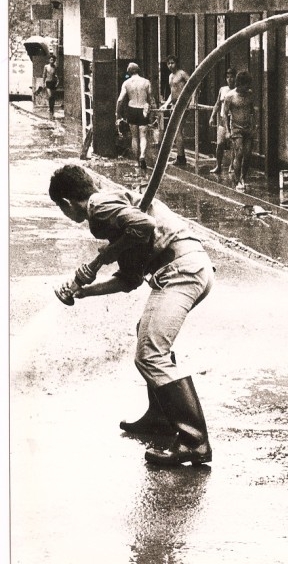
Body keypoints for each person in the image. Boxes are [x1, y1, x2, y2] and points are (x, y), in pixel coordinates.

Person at [48, 163, 215, 466]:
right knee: (147, 333)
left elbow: (145, 227)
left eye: (62, 209)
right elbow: (130, 279)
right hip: (189, 268)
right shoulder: (113, 211)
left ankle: (195, 441)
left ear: (67, 203)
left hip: (181, 270)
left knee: (150, 353)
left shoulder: (100, 208)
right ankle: (161, 417)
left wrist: (99, 260)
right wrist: (83, 291)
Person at [116, 62, 156, 171]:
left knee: (134, 137)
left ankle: (137, 161)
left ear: (129, 72)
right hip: (143, 109)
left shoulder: (126, 83)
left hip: (132, 109)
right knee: (143, 135)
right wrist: (152, 113)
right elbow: (151, 99)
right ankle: (142, 155)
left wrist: (117, 114)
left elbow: (120, 100)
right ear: (138, 70)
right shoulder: (146, 82)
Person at [223, 70, 257, 192]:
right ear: (239, 84)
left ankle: (243, 177)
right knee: (239, 152)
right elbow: (224, 114)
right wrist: (227, 131)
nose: (246, 89)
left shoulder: (249, 94)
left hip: (247, 127)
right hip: (236, 128)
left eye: (248, 86)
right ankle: (237, 179)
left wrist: (254, 126)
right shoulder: (230, 96)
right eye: (244, 86)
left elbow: (253, 111)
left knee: (247, 154)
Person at [162, 56, 190, 166]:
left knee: (178, 131)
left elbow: (194, 85)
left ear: (176, 63)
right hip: (174, 104)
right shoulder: (170, 76)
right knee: (176, 131)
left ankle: (181, 158)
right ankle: (180, 156)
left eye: (172, 63)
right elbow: (172, 92)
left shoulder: (182, 73)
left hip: (182, 103)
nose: (170, 65)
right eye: (168, 63)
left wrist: (191, 101)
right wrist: (166, 104)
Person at [209, 68, 236, 176]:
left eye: (232, 77)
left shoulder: (237, 91)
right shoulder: (222, 89)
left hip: (232, 119)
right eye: (228, 77)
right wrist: (212, 116)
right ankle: (218, 165)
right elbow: (217, 104)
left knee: (233, 145)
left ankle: (232, 165)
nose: (230, 79)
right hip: (222, 119)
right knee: (219, 144)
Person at [41, 53, 59, 117]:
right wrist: (43, 83)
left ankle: (52, 108)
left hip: (53, 83)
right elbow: (44, 75)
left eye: (53, 60)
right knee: (50, 96)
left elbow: (56, 75)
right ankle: (50, 108)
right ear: (49, 60)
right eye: (51, 59)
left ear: (54, 61)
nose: (52, 61)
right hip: (48, 82)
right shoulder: (46, 66)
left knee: (53, 97)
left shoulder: (55, 67)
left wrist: (57, 82)